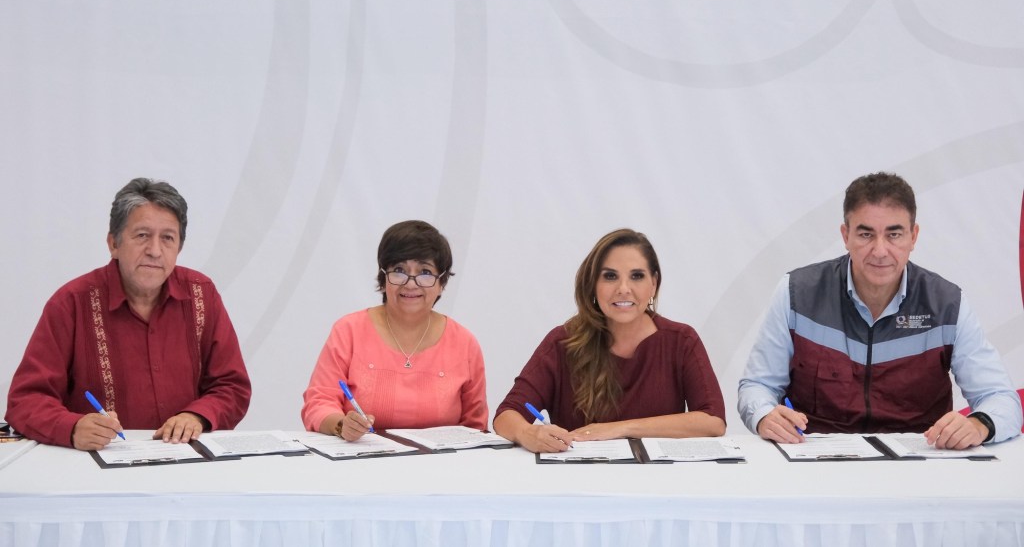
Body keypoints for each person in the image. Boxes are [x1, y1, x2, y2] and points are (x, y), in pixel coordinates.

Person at [738, 172, 1022, 449]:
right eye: (866, 234)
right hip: (815, 459)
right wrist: (764, 415)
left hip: (919, 464)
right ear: (845, 235)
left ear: (913, 236)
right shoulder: (797, 294)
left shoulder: (947, 304)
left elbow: (1001, 399)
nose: (880, 250)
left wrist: (980, 424)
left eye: (894, 234)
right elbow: (757, 385)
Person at [5, 178, 252, 451]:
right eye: (142, 235)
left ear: (179, 248)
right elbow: (25, 401)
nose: (155, 251)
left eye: (167, 238)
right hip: (96, 465)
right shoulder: (71, 303)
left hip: (185, 458)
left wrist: (197, 416)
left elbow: (232, 386)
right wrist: (72, 427)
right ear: (114, 244)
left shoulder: (202, 294)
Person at [493, 229, 726, 453]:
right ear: (593, 284)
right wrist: (527, 433)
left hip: (657, 477)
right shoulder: (563, 341)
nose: (623, 289)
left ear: (653, 284)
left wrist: (619, 429)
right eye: (610, 276)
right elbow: (507, 414)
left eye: (637, 276)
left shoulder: (681, 341)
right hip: (579, 477)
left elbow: (713, 420)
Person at [301, 220, 488, 440]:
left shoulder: (464, 343)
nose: (411, 283)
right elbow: (319, 402)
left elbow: (475, 426)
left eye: (425, 272)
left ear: (442, 283)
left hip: (441, 460)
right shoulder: (348, 331)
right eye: (399, 270)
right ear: (383, 279)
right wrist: (342, 425)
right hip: (361, 456)